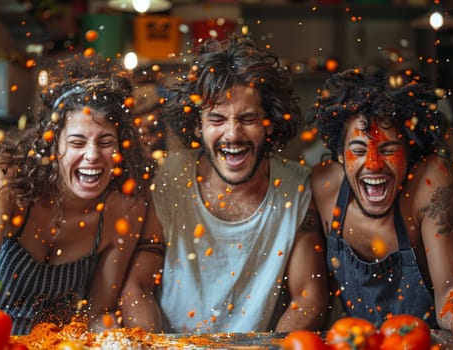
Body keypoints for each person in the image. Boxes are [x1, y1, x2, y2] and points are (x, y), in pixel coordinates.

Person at [0, 56, 163, 343]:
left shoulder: (124, 209)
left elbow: (98, 310)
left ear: (120, 147)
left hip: (58, 344)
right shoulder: (11, 182)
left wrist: (114, 341)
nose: (93, 155)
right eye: (77, 142)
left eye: (105, 142)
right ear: (52, 144)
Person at [120, 34, 330, 334]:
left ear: (269, 122)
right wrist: (154, 344)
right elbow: (136, 287)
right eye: (217, 119)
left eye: (248, 118)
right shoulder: (170, 178)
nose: (233, 134)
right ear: (197, 124)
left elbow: (309, 297)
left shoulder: (295, 188)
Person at [307, 68, 453, 343]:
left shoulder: (430, 180)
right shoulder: (322, 185)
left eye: (388, 150)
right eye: (359, 150)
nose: (374, 165)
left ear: (410, 152)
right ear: (340, 156)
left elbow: (449, 289)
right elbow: (311, 298)